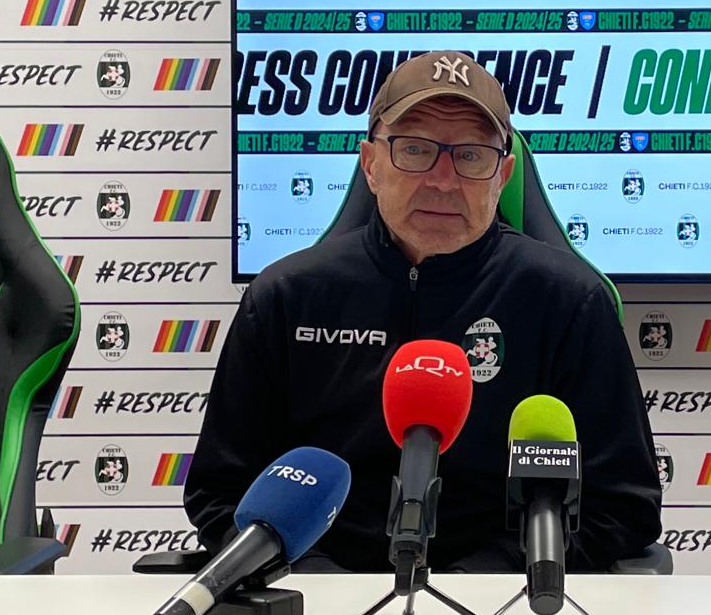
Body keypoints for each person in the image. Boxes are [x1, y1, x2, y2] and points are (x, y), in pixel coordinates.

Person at [187, 50, 662, 571]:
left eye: (471, 156)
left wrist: (481, 582)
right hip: (318, 597)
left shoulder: (569, 300)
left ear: (503, 174)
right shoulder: (285, 297)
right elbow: (222, 491)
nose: (442, 180)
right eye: (414, 149)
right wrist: (319, 585)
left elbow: (622, 505)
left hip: (503, 601)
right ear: (371, 164)